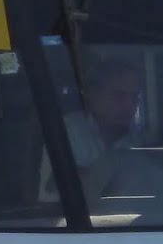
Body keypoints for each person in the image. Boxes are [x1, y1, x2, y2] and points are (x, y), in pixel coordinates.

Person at [39, 56, 145, 202]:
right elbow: (57, 184)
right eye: (118, 96)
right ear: (92, 94)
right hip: (62, 220)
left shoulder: (141, 140)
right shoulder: (66, 130)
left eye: (134, 98)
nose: (129, 105)